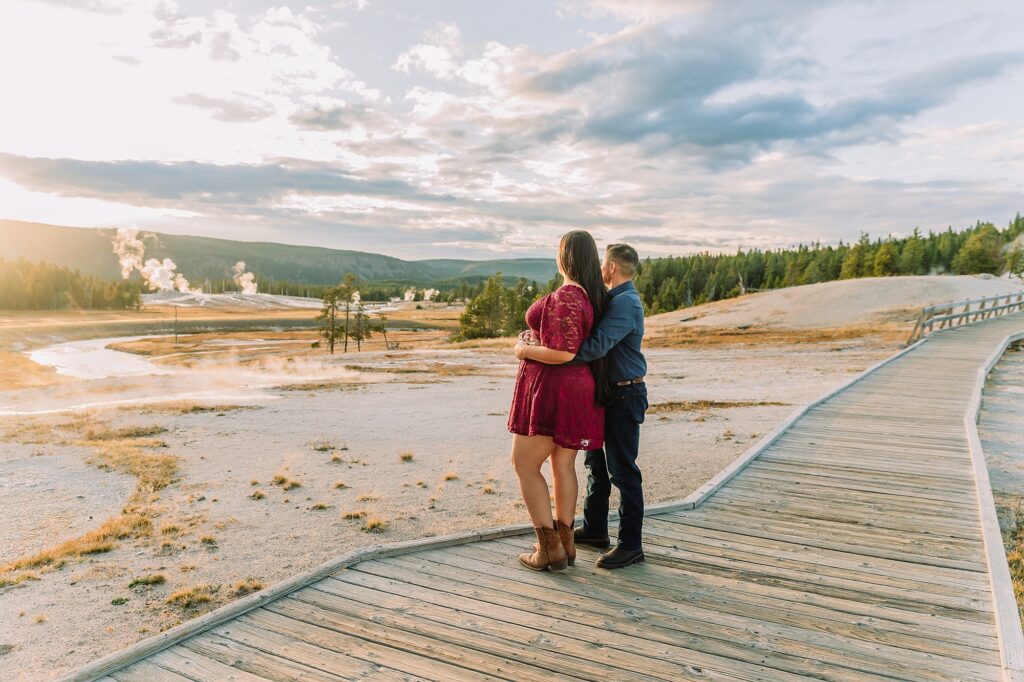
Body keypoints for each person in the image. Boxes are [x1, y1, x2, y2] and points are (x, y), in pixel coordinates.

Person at [515, 243, 647, 569]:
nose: (601, 267)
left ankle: (631, 545)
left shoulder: (625, 303)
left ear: (613, 267)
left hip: (623, 393)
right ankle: (593, 530)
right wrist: (544, 340)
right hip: (604, 392)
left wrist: (534, 349)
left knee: (622, 471)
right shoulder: (605, 298)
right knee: (593, 467)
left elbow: (590, 347)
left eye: (605, 263)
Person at [507, 230, 612, 572]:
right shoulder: (590, 296)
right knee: (562, 465)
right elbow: (565, 341)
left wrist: (524, 350)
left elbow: (564, 353)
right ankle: (564, 546)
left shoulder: (568, 295)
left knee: (524, 464)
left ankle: (547, 548)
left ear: (565, 256)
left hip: (556, 391)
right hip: (576, 389)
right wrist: (537, 339)